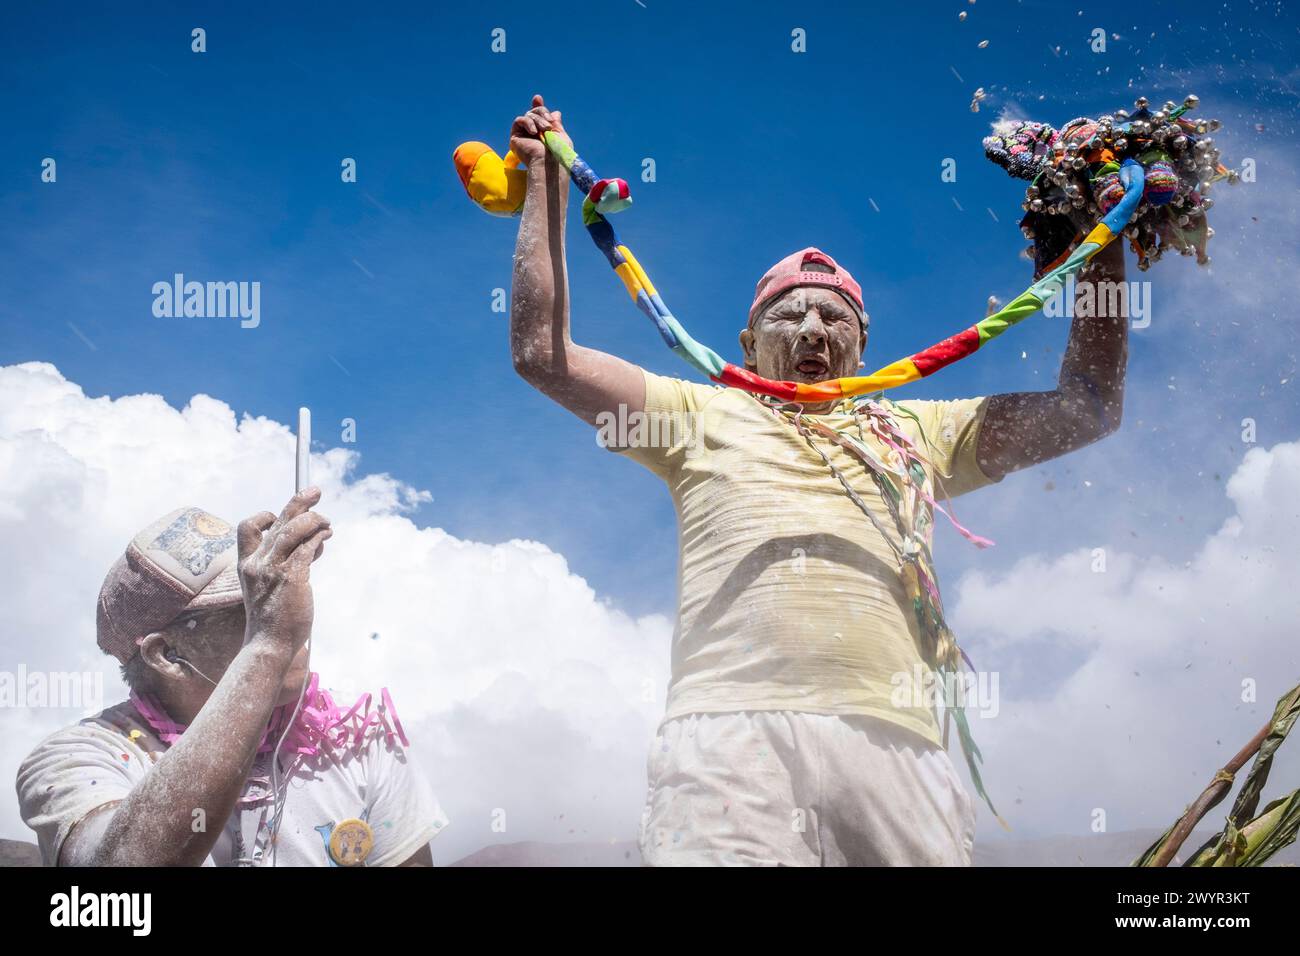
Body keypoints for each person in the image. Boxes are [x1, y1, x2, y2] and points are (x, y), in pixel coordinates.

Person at [507, 95, 1129, 865]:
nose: (810, 331)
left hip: (896, 740)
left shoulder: (919, 432)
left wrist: (1103, 238)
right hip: (729, 740)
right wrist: (542, 183)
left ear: (862, 348)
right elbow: (544, 356)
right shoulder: (694, 416)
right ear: (745, 342)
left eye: (834, 319)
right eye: (789, 316)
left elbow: (1088, 408)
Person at [16, 489, 448, 866]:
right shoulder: (77, 758)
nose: (290, 618)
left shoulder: (356, 735)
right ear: (165, 655)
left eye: (279, 594)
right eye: (251, 606)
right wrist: (268, 645)